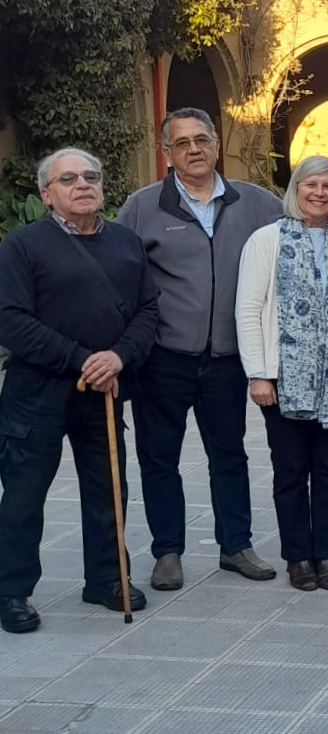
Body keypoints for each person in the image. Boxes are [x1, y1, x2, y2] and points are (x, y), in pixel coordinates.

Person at [118, 107, 328, 591]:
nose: (194, 149)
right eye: (182, 142)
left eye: (202, 139)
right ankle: (168, 551)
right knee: (159, 456)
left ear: (215, 144)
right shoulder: (143, 207)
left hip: (229, 359)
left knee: (229, 455)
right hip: (164, 356)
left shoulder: (255, 202)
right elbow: (120, 273)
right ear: (167, 152)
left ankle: (235, 546)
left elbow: (314, 208)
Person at [0, 148, 159, 633]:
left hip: (104, 390)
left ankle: (108, 578)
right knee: (24, 497)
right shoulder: (21, 246)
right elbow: (9, 320)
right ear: (48, 194)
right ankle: (11, 590)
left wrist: (118, 357)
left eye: (91, 176)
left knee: (109, 488)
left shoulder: (127, 242)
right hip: (37, 392)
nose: (83, 184)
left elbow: (148, 310)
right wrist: (81, 360)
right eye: (68, 179)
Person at [234, 156, 328, 592]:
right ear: (296, 190)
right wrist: (258, 374)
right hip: (283, 378)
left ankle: (327, 557)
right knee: (291, 470)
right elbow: (248, 310)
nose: (319, 193)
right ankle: (298, 558)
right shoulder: (266, 240)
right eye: (310, 185)